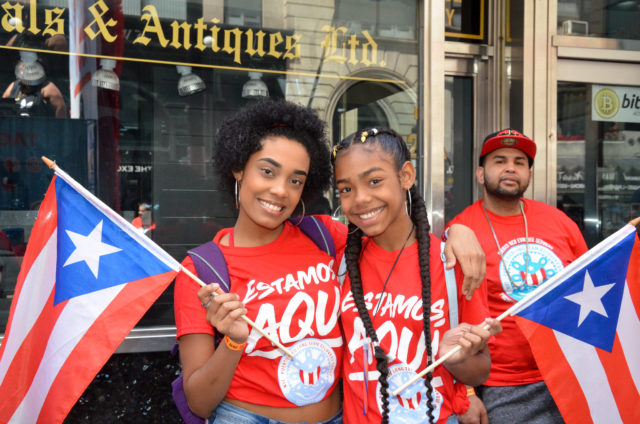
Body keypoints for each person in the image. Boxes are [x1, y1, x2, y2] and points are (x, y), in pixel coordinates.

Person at [173, 100, 487, 423]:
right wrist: (233, 341)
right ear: (239, 168)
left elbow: (396, 237)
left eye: (296, 180)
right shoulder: (202, 270)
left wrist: (458, 232)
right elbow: (198, 403)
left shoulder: (324, 236)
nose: (280, 190)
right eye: (267, 171)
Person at [332, 127, 501, 423]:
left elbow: (481, 368)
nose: (359, 199)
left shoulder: (452, 264)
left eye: (374, 181)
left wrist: (457, 361)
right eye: (346, 189)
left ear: (406, 176)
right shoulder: (341, 263)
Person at [447, 128, 588, 423]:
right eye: (499, 160)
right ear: (481, 174)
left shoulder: (560, 222)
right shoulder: (463, 230)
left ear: (529, 175)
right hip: (504, 384)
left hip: (570, 374)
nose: (511, 167)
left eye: (519, 162)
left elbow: (587, 287)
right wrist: (467, 393)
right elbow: (452, 318)